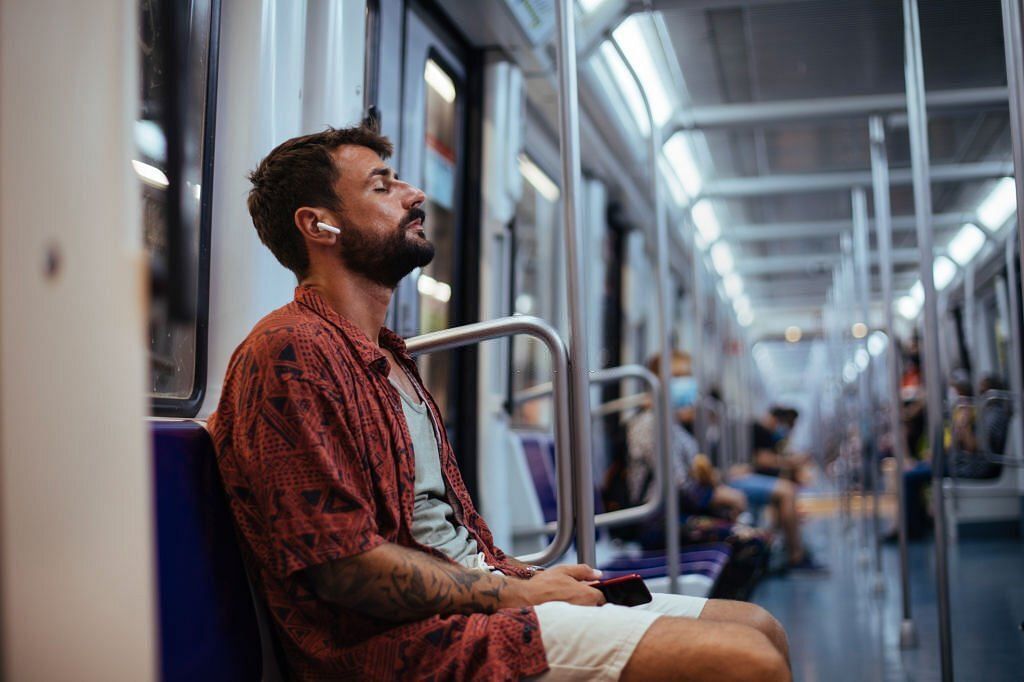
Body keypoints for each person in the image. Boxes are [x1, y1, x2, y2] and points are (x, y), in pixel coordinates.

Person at [207, 125, 790, 681]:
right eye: (382, 186)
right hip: (398, 645)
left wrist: (521, 579)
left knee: (758, 625)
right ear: (320, 226)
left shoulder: (387, 355)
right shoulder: (290, 354)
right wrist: (521, 592)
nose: (415, 195)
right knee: (746, 661)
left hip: (478, 597)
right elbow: (345, 568)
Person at [623, 350, 772, 600]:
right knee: (751, 541)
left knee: (749, 532)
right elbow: (679, 485)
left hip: (679, 514)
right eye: (677, 376)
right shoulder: (650, 424)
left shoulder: (672, 423)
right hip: (659, 522)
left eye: (688, 375)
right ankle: (722, 615)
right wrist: (718, 497)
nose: (686, 383)